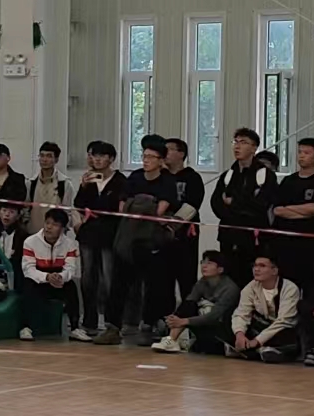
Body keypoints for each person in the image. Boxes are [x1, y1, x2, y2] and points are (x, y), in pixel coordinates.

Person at [95, 138, 178, 346]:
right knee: (118, 284)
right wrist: (143, 205)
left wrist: (139, 206)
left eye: (151, 157)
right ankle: (113, 327)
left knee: (154, 286)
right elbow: (123, 207)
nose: (146, 160)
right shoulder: (135, 177)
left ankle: (149, 325)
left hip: (151, 241)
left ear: (161, 160)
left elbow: (159, 211)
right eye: (144, 156)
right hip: (127, 238)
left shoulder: (167, 181)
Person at [210, 128, 277, 288]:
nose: (237, 146)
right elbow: (216, 203)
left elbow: (261, 205)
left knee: (252, 278)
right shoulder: (228, 175)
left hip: (253, 238)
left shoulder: (265, 175)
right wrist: (237, 208)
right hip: (228, 235)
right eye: (236, 142)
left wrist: (233, 203)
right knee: (228, 277)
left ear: (254, 148)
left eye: (243, 142)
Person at [74, 141, 126, 334]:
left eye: (102, 156)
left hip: (110, 236)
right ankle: (89, 320)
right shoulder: (89, 179)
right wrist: (83, 186)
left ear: (111, 159)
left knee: (109, 279)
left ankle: (112, 322)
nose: (97, 159)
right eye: (94, 155)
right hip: (89, 235)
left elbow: (116, 209)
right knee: (88, 278)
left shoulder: (120, 181)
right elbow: (79, 204)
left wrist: (97, 210)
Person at [269, 138, 314, 297]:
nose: (302, 156)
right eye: (299, 152)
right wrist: (301, 211)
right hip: (286, 244)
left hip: (311, 245)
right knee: (286, 286)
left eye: (307, 152)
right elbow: (277, 210)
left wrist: (289, 209)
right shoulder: (288, 180)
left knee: (312, 287)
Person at [15, 208, 89, 342]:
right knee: (27, 286)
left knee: (71, 286)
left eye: (54, 224)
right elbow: (28, 269)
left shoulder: (70, 244)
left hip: (58, 280)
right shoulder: (30, 242)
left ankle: (74, 328)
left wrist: (61, 277)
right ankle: (25, 327)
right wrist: (46, 277)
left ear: (62, 228)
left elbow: (70, 268)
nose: (49, 227)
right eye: (47, 223)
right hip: (38, 280)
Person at [150, 250, 241, 355]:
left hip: (224, 327)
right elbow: (189, 302)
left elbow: (214, 316)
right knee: (190, 305)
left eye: (209, 263)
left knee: (206, 309)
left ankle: (172, 339)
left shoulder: (230, 288)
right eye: (202, 262)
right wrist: (174, 317)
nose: (204, 266)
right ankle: (171, 339)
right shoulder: (202, 282)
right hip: (207, 324)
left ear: (220, 269)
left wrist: (184, 321)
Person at [228, 253, 301, 363]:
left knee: (287, 337)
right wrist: (240, 334)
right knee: (230, 321)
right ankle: (256, 349)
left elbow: (284, 321)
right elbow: (242, 313)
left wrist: (257, 341)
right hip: (261, 326)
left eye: (262, 266)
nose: (256, 269)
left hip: (281, 329)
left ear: (274, 271)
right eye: (255, 265)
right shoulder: (250, 287)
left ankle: (258, 350)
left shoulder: (289, 288)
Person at [163, 137, 205, 301]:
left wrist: (172, 224)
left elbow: (193, 205)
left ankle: (188, 311)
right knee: (164, 277)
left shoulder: (192, 177)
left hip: (185, 233)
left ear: (181, 154)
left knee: (186, 276)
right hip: (160, 233)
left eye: (169, 149)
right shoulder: (161, 176)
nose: (165, 153)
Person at [25, 142, 73, 235]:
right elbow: (26, 208)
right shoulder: (31, 183)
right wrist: (26, 224)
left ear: (56, 159)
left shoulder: (64, 184)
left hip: (56, 235)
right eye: (42, 156)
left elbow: (67, 212)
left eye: (49, 156)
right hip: (33, 233)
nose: (44, 159)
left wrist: (63, 229)